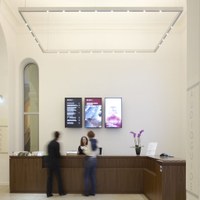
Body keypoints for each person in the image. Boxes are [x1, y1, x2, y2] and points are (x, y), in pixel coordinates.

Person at [46, 131, 66, 198]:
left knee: (49, 178)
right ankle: (61, 192)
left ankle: (49, 193)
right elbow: (57, 154)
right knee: (59, 178)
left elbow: (48, 153)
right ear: (58, 136)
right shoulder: (57, 144)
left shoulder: (49, 143)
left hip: (49, 163)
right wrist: (60, 156)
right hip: (56, 163)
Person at [83, 130, 98, 196]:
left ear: (88, 136)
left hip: (89, 160)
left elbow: (87, 152)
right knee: (93, 177)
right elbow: (97, 152)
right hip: (94, 160)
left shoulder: (89, 142)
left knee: (86, 177)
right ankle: (93, 192)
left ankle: (86, 193)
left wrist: (84, 149)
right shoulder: (96, 142)